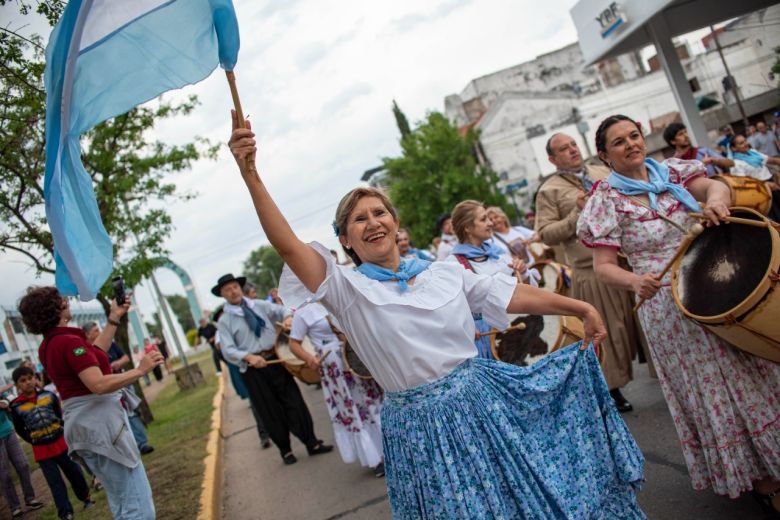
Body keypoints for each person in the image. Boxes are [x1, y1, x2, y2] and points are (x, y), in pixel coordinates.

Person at [229, 112, 645, 518]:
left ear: (394, 221)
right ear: (345, 239)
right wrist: (251, 176)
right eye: (359, 220)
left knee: (518, 496)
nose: (372, 223)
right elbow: (287, 245)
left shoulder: (443, 273)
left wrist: (582, 307)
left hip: (480, 404)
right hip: (419, 429)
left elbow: (511, 294)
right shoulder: (346, 289)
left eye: (379, 213)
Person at [577, 114, 780, 509]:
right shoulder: (605, 200)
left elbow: (714, 186)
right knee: (718, 385)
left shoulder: (671, 171)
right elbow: (604, 268)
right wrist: (636, 282)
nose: (631, 144)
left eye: (634, 136)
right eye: (619, 142)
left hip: (717, 280)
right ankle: (764, 478)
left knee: (752, 367)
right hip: (670, 306)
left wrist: (717, 202)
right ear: (605, 155)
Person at [17, 286, 163, 520]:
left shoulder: (50, 344)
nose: (67, 300)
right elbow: (98, 384)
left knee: (122, 501)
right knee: (138, 505)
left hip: (87, 429)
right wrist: (139, 370)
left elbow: (94, 354)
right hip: (101, 427)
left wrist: (114, 318)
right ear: (55, 308)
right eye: (61, 299)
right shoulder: (66, 342)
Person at [535, 132, 646, 412]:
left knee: (643, 325)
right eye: (564, 149)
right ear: (552, 159)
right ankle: (611, 390)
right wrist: (576, 214)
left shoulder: (602, 171)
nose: (572, 150)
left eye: (573, 145)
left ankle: (667, 375)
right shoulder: (550, 191)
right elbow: (546, 234)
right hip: (591, 270)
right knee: (609, 331)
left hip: (627, 260)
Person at [213, 273, 332, 464]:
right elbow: (227, 350)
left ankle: (311, 442)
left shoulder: (258, 305)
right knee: (269, 410)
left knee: (294, 400)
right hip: (254, 370)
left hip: (276, 360)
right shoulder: (224, 321)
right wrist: (248, 357)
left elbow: (282, 310)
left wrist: (287, 319)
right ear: (222, 294)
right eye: (227, 289)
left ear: (240, 288)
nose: (233, 291)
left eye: (235, 287)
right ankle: (285, 450)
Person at [287, 303, 385, 477]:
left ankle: (393, 449)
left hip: (356, 354)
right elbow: (294, 344)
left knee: (373, 400)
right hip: (335, 366)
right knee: (356, 407)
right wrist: (310, 358)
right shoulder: (302, 312)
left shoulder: (330, 296)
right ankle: (375, 458)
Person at [447, 200, 540, 359]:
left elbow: (527, 291)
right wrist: (465, 327)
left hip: (517, 327)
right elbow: (450, 309)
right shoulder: (453, 264)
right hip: (485, 339)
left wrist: (523, 272)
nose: (490, 223)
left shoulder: (497, 252)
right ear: (467, 228)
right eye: (483, 219)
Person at [10, 366, 94, 520]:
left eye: (30, 378)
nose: (28, 382)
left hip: (61, 443)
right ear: (17, 385)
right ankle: (65, 512)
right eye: (23, 381)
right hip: (42, 451)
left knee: (74, 472)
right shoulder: (15, 406)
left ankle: (86, 498)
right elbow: (20, 429)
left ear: (35, 378)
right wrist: (34, 439)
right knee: (55, 483)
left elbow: (58, 415)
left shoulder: (49, 396)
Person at [82, 322, 155, 456]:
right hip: (106, 391)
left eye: (99, 329)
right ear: (87, 334)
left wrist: (118, 363)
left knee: (131, 413)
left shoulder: (111, 344)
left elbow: (126, 357)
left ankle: (142, 443)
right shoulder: (86, 351)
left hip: (122, 384)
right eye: (95, 330)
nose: (99, 332)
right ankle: (127, 449)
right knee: (115, 419)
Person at [213, 307, 272, 449]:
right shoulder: (221, 331)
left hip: (260, 361)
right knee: (255, 399)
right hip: (242, 365)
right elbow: (221, 349)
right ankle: (264, 434)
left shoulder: (244, 320)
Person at [0, 391, 44, 518]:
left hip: (9, 432)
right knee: (4, 474)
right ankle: (15, 507)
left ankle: (30, 499)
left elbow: (9, 400)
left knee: (23, 465)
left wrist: (5, 402)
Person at [729, 133, 780, 221]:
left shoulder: (753, 153)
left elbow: (770, 160)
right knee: (776, 216)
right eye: (741, 143)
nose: (745, 144)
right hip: (761, 191)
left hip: (773, 185)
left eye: (745, 141)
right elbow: (744, 183)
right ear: (734, 148)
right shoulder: (736, 164)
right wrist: (766, 185)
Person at [662, 122, 733, 177]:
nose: (686, 136)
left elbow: (731, 163)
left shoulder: (702, 152)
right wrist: (701, 165)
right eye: (680, 134)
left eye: (685, 132)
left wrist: (713, 160)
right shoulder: (674, 164)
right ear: (673, 141)